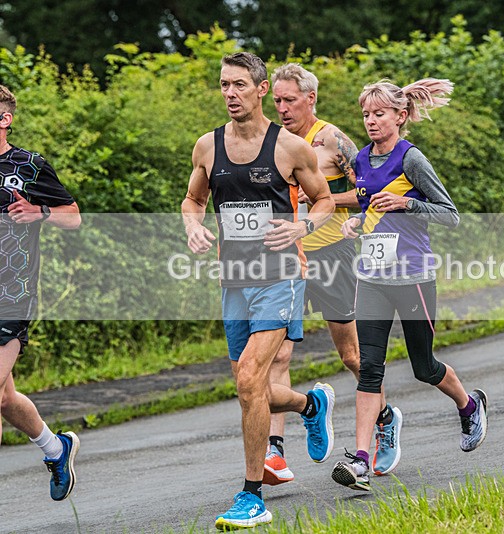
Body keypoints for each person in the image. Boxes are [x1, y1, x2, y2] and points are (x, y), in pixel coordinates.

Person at [181, 52, 336, 530]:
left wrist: (302, 226)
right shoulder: (207, 146)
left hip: (281, 276)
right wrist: (193, 226)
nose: (230, 94)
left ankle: (251, 496)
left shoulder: (290, 147)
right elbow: (193, 199)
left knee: (250, 379)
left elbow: (325, 200)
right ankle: (312, 405)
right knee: (254, 389)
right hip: (234, 280)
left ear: (261, 88)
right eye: (224, 85)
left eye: (240, 85)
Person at [332, 78, 488, 492]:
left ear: (400, 116)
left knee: (424, 367)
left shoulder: (411, 159)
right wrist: (355, 222)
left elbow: (450, 214)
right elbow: (370, 210)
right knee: (369, 367)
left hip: (413, 277)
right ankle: (360, 460)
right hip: (372, 278)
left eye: (379, 113)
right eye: (366, 114)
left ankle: (469, 405)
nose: (370, 121)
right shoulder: (361, 160)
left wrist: (407, 202)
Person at [265, 63, 401, 485]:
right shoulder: (273, 142)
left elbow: (368, 194)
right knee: (277, 354)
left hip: (331, 255)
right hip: (287, 258)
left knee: (352, 356)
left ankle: (384, 419)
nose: (282, 108)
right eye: (277, 100)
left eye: (290, 100)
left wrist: (321, 196)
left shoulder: (332, 140)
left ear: (311, 99)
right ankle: (274, 451)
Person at [0, 84, 82, 501]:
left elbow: (73, 216)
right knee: (5, 398)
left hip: (12, 293)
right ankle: (56, 448)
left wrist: (40, 211)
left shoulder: (28, 165)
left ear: (5, 119)